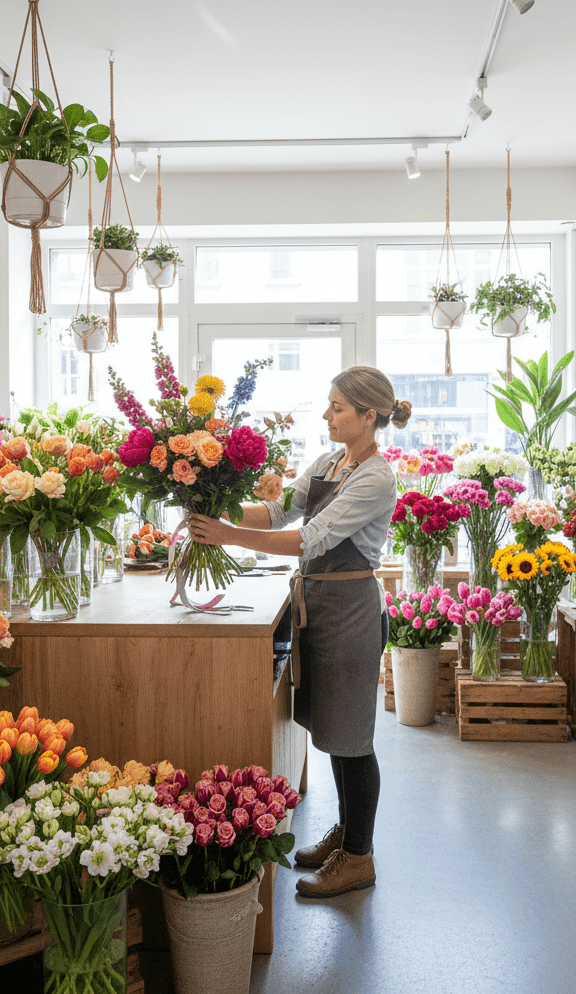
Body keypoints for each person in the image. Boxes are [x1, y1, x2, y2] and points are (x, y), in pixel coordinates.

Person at [188, 366, 411, 898]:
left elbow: (309, 538)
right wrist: (212, 502)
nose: (327, 414)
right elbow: (276, 510)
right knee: (334, 733)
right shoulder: (333, 461)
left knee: (353, 739)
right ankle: (348, 835)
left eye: (337, 408)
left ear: (368, 416)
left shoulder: (376, 476)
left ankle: (360, 857)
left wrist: (228, 537)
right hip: (321, 608)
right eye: (329, 405)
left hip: (351, 614)